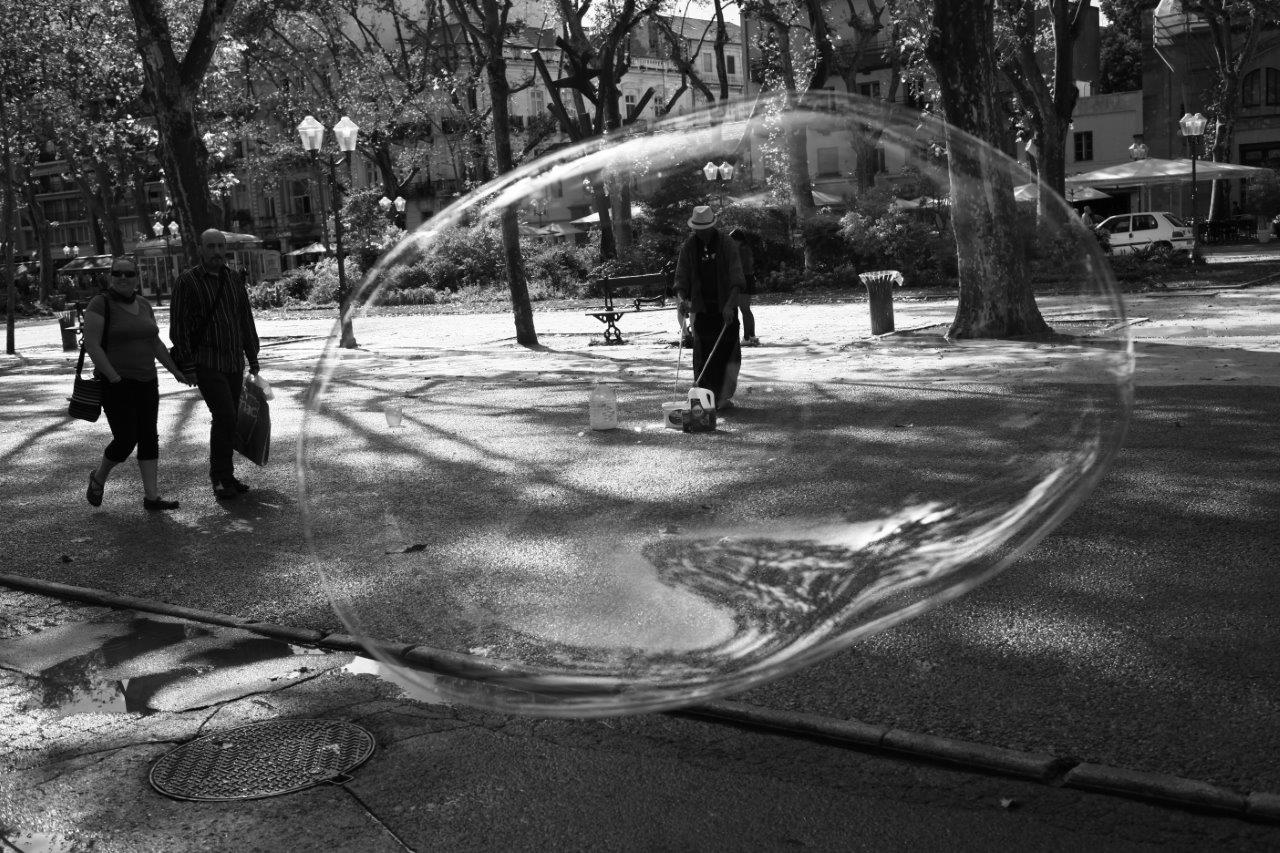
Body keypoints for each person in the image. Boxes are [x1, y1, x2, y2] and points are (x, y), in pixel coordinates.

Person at [82, 257, 194, 511]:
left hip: (147, 380)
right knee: (125, 439)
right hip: (116, 382)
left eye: (129, 274)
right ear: (110, 276)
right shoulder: (100, 304)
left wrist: (175, 370)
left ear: (136, 277)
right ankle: (99, 476)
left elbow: (154, 342)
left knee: (148, 436)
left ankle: (152, 497)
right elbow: (92, 344)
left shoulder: (143, 304)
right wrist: (114, 377)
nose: (123, 278)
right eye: (117, 273)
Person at [170, 229, 261, 501]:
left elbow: (245, 319)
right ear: (200, 249)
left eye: (220, 246)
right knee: (225, 416)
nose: (217, 252)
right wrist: (188, 365)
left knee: (230, 419)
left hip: (233, 360)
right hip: (206, 362)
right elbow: (179, 327)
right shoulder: (188, 281)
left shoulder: (233, 279)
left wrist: (253, 357)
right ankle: (220, 477)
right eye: (210, 247)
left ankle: (227, 475)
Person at [674, 205, 745, 410]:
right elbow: (681, 278)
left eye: (704, 229)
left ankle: (723, 397)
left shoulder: (726, 244)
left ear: (712, 227)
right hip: (702, 309)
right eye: (698, 229)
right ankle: (704, 397)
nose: (701, 233)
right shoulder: (689, 246)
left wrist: (730, 305)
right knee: (702, 355)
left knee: (728, 354)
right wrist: (681, 300)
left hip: (725, 308)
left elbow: (737, 278)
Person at [728, 227, 760, 346]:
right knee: (746, 309)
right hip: (748, 278)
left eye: (732, 240)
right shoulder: (745, 248)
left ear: (738, 240)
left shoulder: (742, 250)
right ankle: (752, 336)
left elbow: (739, 267)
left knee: (744, 309)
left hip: (744, 279)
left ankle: (747, 337)